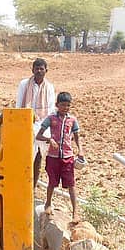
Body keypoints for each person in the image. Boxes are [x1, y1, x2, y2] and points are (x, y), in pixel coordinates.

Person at [35, 91, 83, 221]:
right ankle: (48, 203)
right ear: (57, 105)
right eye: (63, 105)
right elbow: (38, 135)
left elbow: (77, 137)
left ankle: (75, 212)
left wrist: (81, 150)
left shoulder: (72, 120)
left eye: (68, 105)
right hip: (53, 156)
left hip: (67, 156)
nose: (65, 108)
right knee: (52, 182)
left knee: (71, 184)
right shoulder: (51, 119)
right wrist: (49, 139)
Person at [15, 58, 56, 187]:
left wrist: (44, 128)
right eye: (36, 68)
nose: (39, 71)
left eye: (41, 68)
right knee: (24, 157)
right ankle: (22, 185)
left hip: (42, 126)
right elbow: (19, 105)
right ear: (32, 70)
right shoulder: (24, 84)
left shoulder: (49, 87)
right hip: (26, 124)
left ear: (46, 71)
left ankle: (32, 187)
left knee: (38, 157)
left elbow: (50, 109)